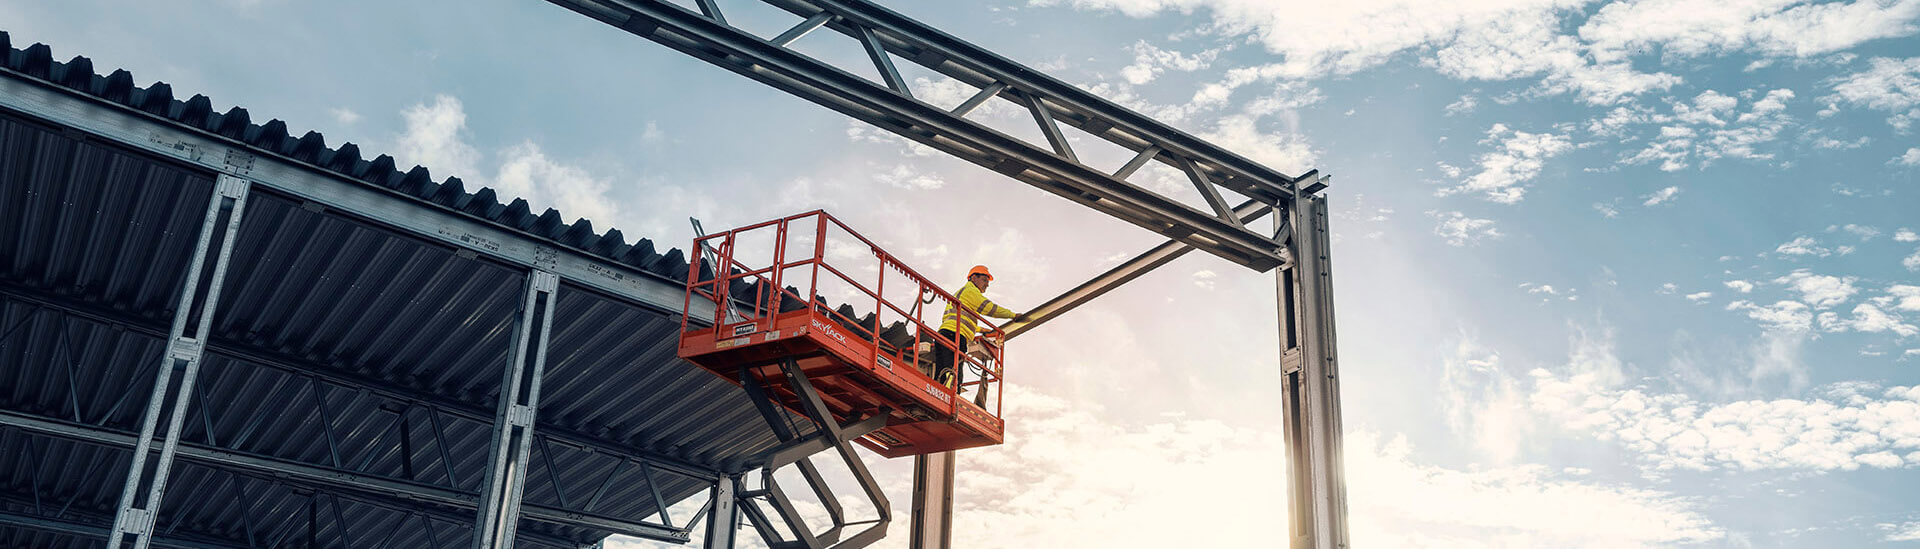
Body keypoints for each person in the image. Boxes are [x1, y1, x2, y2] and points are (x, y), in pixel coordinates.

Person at [934, 265, 1025, 389]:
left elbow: (957, 318)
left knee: (942, 373)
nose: (987, 284)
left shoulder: (960, 293)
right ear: (973, 278)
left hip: (944, 333)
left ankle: (939, 393)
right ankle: (951, 397)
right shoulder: (971, 292)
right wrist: (1012, 315)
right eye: (984, 280)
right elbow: (990, 308)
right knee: (954, 375)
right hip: (955, 336)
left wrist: (981, 329)